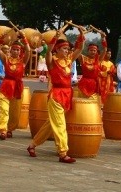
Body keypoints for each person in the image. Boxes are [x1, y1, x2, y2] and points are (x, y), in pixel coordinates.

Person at [27, 25, 85, 164]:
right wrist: (55, 38)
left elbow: (79, 49)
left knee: (50, 125)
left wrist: (81, 34)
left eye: (67, 49)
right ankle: (63, 152)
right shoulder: (52, 61)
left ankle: (32, 145)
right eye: (64, 48)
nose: (67, 51)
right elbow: (48, 52)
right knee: (60, 124)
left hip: (67, 94)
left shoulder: (69, 60)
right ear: (57, 49)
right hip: (56, 96)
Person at [0, 32, 31, 140]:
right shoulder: (6, 59)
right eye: (14, 49)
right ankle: (3, 130)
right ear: (10, 50)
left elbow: (29, 50)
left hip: (17, 87)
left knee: (14, 112)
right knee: (4, 109)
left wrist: (24, 37)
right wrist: (1, 40)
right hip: (6, 85)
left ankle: (10, 129)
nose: (16, 51)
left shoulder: (22, 61)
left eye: (18, 50)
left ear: (20, 52)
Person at [77, 32, 107, 100]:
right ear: (88, 51)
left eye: (94, 50)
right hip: (83, 84)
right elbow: (77, 50)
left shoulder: (98, 60)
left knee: (92, 105)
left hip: (94, 84)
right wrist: (80, 38)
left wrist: (103, 38)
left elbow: (105, 49)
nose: (93, 52)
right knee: (83, 104)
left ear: (96, 52)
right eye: (91, 50)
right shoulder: (83, 58)